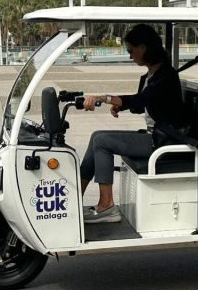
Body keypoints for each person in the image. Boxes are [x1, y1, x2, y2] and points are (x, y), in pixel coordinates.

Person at [79, 24, 185, 224]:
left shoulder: (166, 76)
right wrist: (120, 106)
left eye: (131, 50)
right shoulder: (149, 76)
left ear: (143, 48)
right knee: (96, 136)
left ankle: (107, 205)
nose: (130, 56)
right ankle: (75, 198)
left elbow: (139, 101)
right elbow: (140, 105)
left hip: (165, 141)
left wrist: (105, 98)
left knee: (102, 141)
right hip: (155, 136)